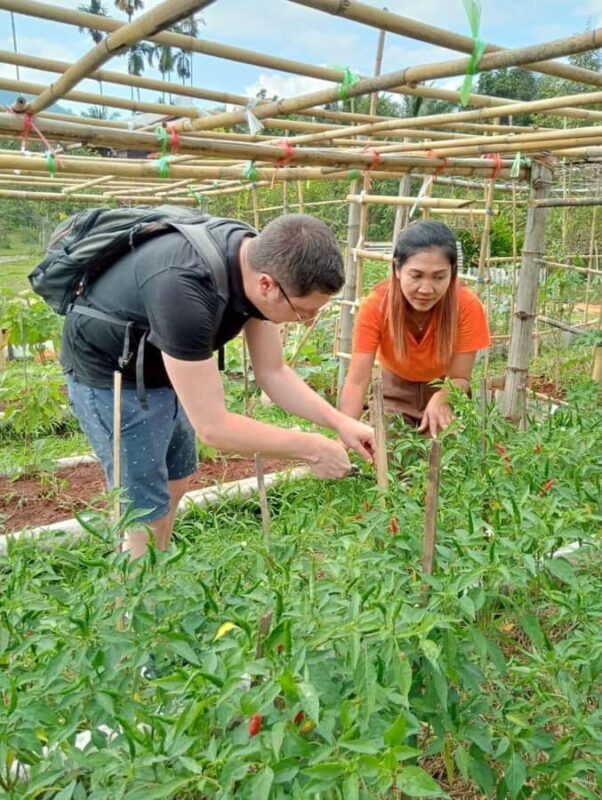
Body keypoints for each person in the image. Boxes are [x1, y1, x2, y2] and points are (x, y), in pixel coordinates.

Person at [61, 213, 375, 558]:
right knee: (144, 509)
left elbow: (273, 372)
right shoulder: (184, 290)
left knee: (177, 478)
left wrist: (340, 423)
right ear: (267, 285)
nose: (308, 321)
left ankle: (156, 561)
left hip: (166, 365)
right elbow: (214, 427)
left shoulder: (256, 259)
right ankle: (138, 582)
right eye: (303, 312)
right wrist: (313, 448)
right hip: (111, 375)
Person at [339, 220, 490, 437]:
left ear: (453, 272)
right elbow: (357, 381)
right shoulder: (376, 306)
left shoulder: (466, 305)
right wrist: (344, 437)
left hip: (446, 389)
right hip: (393, 393)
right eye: (416, 276)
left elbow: (460, 377)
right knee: (384, 449)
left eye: (439, 277)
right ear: (397, 269)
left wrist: (442, 397)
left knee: (443, 451)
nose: (426, 289)